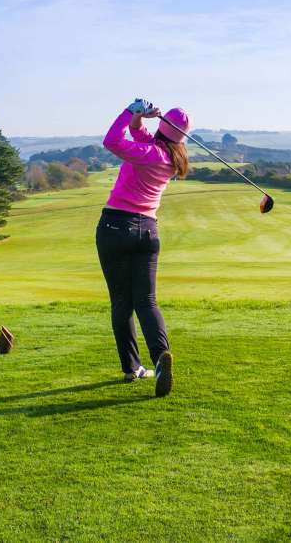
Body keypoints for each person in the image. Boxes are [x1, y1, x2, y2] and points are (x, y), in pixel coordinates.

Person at [97, 99, 191, 397]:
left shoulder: (150, 153)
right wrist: (139, 118)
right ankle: (161, 358)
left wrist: (128, 110)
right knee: (147, 301)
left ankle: (132, 368)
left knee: (122, 302)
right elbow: (139, 134)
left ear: (163, 128)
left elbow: (111, 141)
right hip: (148, 231)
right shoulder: (169, 156)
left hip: (115, 227)